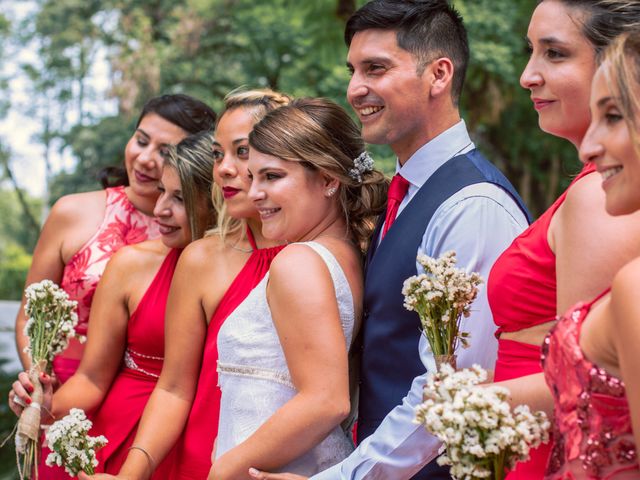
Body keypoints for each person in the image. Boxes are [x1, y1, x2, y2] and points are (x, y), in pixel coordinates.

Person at [249, 1, 529, 479]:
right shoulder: (401, 197)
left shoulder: (473, 205)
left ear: (438, 74)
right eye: (353, 70)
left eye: (375, 68)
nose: (355, 89)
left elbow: (451, 391)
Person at [77, 89, 290, 480]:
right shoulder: (202, 259)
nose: (224, 168)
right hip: (198, 460)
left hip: (291, 464)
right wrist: (131, 473)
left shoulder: (330, 248)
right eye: (217, 154)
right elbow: (175, 388)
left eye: (241, 151)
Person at [487, 1, 640, 476]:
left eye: (554, 53)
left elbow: (591, 390)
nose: (527, 75)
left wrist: (468, 403)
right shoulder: (594, 188)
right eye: (530, 51)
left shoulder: (597, 198)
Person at [9, 131, 218, 478]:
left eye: (179, 198)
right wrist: (46, 407)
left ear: (215, 201)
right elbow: (92, 377)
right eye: (162, 191)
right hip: (124, 431)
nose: (160, 208)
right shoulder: (129, 264)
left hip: (207, 438)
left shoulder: (249, 267)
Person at [209, 97, 387, 480]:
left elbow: (326, 399)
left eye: (272, 177)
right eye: (253, 176)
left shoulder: (299, 262)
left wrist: (224, 470)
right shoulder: (348, 257)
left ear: (327, 179)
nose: (255, 192)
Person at [14, 94, 217, 384]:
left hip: (146, 394)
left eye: (164, 151)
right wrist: (38, 382)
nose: (145, 159)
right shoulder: (72, 212)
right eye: (142, 140)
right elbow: (28, 317)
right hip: (61, 387)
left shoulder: (196, 240)